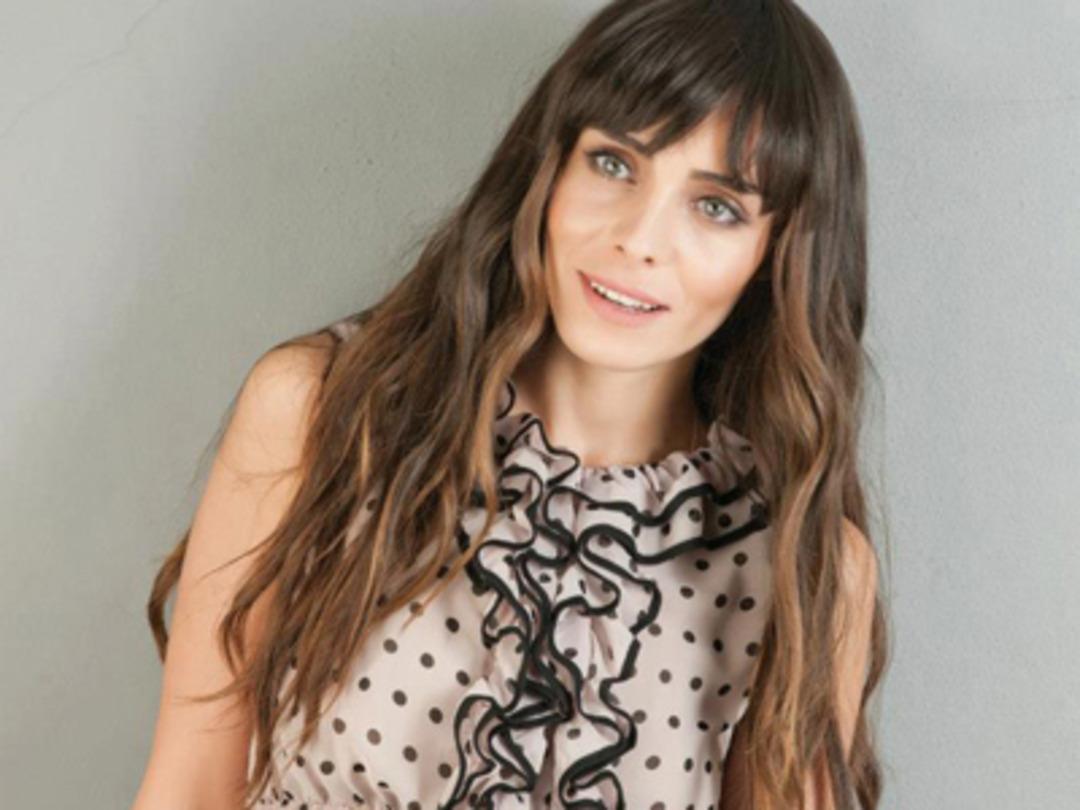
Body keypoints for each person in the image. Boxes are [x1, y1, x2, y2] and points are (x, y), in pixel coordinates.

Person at [131, 1, 888, 808]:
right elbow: (189, 787)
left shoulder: (802, 566)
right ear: (548, 167)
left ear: (776, 255)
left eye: (717, 207)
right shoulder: (325, 415)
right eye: (614, 164)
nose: (639, 239)